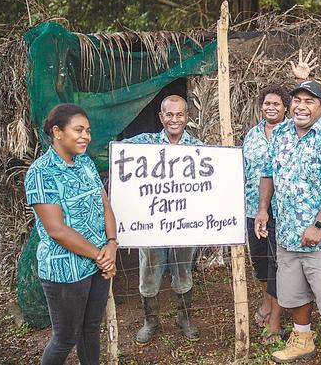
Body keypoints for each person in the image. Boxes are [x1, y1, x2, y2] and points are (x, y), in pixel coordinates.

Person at [255, 50, 321, 365]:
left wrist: (318, 226)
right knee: (294, 291)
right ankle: (303, 341)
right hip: (287, 232)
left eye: (310, 101)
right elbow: (268, 172)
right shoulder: (282, 132)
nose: (301, 105)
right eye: (297, 99)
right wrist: (262, 209)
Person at [24, 103, 118, 365]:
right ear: (57, 132)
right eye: (78, 130)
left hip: (98, 265)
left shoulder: (86, 164)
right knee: (65, 338)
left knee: (90, 330)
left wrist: (112, 244)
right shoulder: (41, 173)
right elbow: (56, 230)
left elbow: (105, 205)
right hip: (65, 271)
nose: (85, 136)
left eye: (87, 130)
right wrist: (101, 255)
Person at [123, 94, 203, 343]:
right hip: (152, 226)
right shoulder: (145, 143)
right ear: (161, 117)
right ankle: (151, 321)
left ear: (187, 118)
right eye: (169, 114)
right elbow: (120, 152)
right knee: (149, 272)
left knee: (183, 271)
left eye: (180, 114)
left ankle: (184, 317)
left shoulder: (198, 148)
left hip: (184, 225)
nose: (174, 119)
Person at [243, 84, 291, 344]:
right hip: (253, 208)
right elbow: (244, 170)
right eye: (267, 103)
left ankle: (275, 317)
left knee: (278, 263)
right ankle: (266, 302)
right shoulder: (252, 135)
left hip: (281, 212)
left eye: (276, 104)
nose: (270, 108)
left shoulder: (292, 132)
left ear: (285, 107)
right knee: (260, 261)